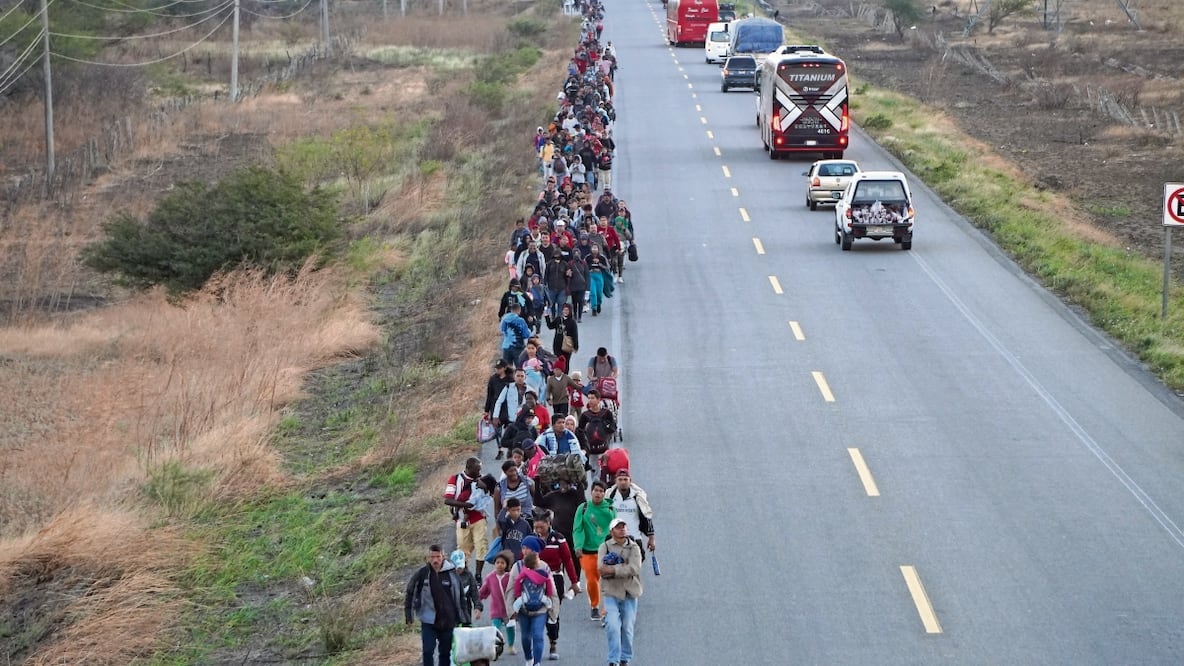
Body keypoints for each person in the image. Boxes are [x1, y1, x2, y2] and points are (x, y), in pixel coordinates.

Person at [405, 544, 468, 666]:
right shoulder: (422, 574)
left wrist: (464, 618)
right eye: (432, 557)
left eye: (438, 557)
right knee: (428, 651)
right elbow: (410, 592)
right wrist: (409, 614)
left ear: (443, 556)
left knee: (445, 653)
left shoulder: (452, 573)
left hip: (448, 620)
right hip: (429, 620)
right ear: (428, 558)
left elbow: (460, 596)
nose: (435, 560)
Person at [532, 511, 581, 661]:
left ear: (548, 524)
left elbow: (568, 560)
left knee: (553, 612)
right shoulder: (531, 539)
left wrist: (574, 582)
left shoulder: (558, 539)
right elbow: (524, 559)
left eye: (541, 527)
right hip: (535, 579)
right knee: (537, 611)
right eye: (536, 527)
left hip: (555, 578)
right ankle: (537, 642)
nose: (539, 530)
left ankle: (553, 642)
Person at [599, 517, 643, 666]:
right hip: (611, 592)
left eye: (623, 527)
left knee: (627, 628)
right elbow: (601, 569)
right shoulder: (604, 547)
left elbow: (634, 568)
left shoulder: (634, 547)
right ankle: (613, 659)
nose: (622, 529)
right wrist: (621, 568)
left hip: (630, 592)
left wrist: (613, 569)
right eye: (618, 527)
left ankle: (625, 658)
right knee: (612, 626)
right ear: (612, 531)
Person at [509, 536, 556, 666]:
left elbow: (552, 590)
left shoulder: (544, 567)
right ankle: (529, 658)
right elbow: (511, 589)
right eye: (523, 548)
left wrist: (553, 611)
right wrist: (510, 611)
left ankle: (537, 662)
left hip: (540, 609)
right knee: (525, 637)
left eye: (528, 548)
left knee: (538, 635)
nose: (524, 551)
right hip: (523, 608)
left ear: (535, 551)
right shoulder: (517, 567)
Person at [572, 480, 615, 621]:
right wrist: (578, 546)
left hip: (606, 551)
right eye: (596, 490)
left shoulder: (610, 510)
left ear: (604, 493)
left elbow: (616, 529)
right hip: (587, 551)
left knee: (607, 580)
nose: (598, 493)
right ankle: (594, 606)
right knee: (591, 580)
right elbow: (577, 529)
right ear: (591, 492)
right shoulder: (583, 508)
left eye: (601, 491)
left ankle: (607, 609)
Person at [444, 458, 489, 581]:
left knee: (481, 546)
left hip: (479, 517)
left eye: (480, 469)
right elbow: (447, 499)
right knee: (463, 549)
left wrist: (485, 487)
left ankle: (478, 575)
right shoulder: (456, 479)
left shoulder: (482, 478)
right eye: (477, 469)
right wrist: (465, 505)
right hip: (462, 519)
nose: (480, 472)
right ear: (469, 468)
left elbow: (490, 493)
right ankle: (466, 574)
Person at [606, 469, 656, 559]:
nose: (623, 482)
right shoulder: (610, 497)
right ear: (615, 481)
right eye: (620, 479)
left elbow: (647, 515)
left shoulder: (638, 497)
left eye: (625, 479)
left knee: (634, 569)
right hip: (615, 540)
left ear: (630, 481)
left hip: (634, 539)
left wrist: (651, 538)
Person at [478, 550, 517, 656]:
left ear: (506, 565)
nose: (499, 565)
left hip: (509, 610)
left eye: (502, 563)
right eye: (497, 562)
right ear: (494, 564)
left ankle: (511, 645)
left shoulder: (510, 577)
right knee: (495, 630)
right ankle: (495, 648)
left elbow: (516, 590)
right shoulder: (490, 577)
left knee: (511, 628)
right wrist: (478, 602)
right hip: (496, 609)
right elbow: (483, 591)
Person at [492, 368, 529, 458]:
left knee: (523, 446)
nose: (520, 378)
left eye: (522, 376)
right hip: (511, 422)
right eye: (518, 376)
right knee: (511, 446)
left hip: (524, 423)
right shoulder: (508, 387)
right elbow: (499, 401)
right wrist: (495, 416)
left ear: (525, 377)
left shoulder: (529, 389)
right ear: (514, 377)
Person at [450, 550, 484, 625]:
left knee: (466, 631)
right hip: (451, 612)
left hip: (465, 611)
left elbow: (475, 593)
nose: (458, 569)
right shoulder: (447, 576)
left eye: (460, 567)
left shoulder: (468, 575)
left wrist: (478, 607)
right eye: (456, 567)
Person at [546, 303, 579, 371]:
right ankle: (559, 375)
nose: (565, 311)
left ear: (570, 311)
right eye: (564, 310)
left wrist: (576, 346)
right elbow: (550, 326)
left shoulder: (572, 322)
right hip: (557, 344)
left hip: (567, 345)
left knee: (566, 362)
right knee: (558, 361)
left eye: (567, 310)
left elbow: (575, 335)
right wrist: (547, 317)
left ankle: (565, 376)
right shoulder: (558, 319)